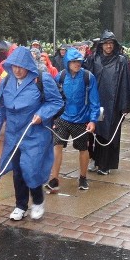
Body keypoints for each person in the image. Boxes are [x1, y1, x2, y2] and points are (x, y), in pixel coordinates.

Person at [0, 46, 63, 221]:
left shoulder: (42, 79)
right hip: (13, 134)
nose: (17, 70)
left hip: (35, 133)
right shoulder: (6, 82)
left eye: (21, 66)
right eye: (14, 66)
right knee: (17, 169)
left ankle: (38, 200)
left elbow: (56, 102)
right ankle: (20, 205)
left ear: (28, 65)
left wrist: (42, 114)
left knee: (31, 168)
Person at [45, 48, 99, 193]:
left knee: (83, 149)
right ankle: (54, 178)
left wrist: (93, 120)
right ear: (67, 62)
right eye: (74, 61)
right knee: (57, 146)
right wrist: (52, 116)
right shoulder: (61, 76)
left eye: (79, 61)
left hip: (81, 120)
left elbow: (94, 101)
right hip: (63, 118)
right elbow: (53, 97)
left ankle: (83, 177)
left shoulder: (88, 77)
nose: (77, 64)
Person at [84, 31, 130, 175]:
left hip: (113, 104)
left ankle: (105, 164)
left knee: (109, 134)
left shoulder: (121, 61)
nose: (108, 46)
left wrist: (126, 104)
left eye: (111, 43)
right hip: (97, 103)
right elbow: (86, 76)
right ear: (101, 45)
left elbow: (126, 82)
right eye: (106, 43)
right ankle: (95, 159)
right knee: (95, 132)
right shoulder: (94, 58)